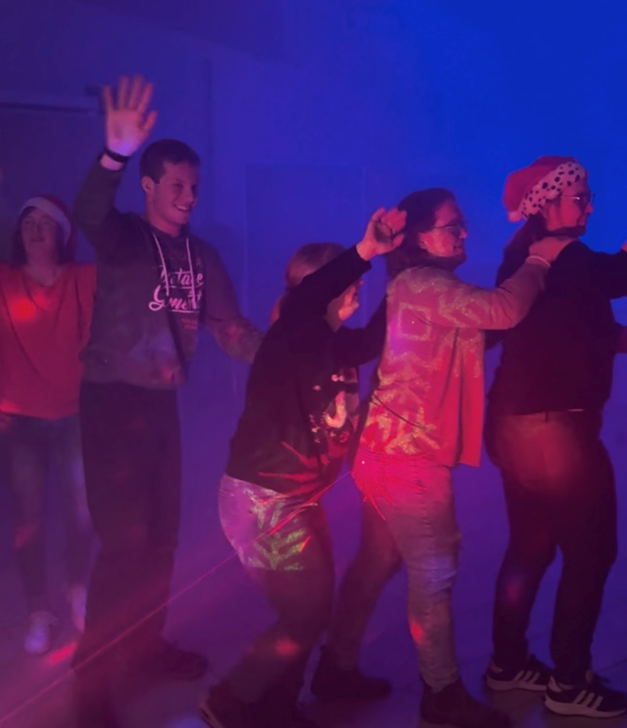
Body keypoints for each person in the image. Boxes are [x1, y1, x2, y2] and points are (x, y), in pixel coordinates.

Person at [71, 76, 262, 728]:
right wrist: (114, 154)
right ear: (149, 186)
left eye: (194, 185)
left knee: (161, 541)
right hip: (111, 401)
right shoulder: (124, 237)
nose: (189, 195)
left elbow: (231, 331)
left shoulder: (200, 256)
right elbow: (88, 212)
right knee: (125, 545)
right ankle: (91, 684)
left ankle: (144, 649)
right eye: (176, 184)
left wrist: (288, 352)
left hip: (159, 407)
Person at [349, 187, 571, 728]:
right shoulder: (424, 283)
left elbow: (481, 328)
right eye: (453, 226)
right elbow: (502, 310)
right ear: (422, 238)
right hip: (409, 457)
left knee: (375, 563)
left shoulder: (424, 289)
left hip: (385, 451)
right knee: (435, 572)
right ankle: (441, 694)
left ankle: (335, 665)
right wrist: (540, 260)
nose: (464, 232)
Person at [200, 207, 406, 728]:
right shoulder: (289, 338)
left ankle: (278, 705)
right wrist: (364, 252)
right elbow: (312, 300)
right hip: (262, 501)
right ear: (314, 289)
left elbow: (375, 338)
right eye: (338, 278)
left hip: (295, 497)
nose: (353, 285)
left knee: (311, 608)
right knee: (305, 614)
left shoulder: (336, 344)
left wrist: (402, 270)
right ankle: (229, 700)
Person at [483, 156, 627, 718]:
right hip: (556, 431)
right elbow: (616, 278)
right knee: (592, 551)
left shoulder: (529, 258)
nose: (589, 206)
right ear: (545, 203)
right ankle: (569, 683)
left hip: (515, 426)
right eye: (579, 197)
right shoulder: (561, 253)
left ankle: (508, 663)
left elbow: (587, 329)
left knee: (531, 546)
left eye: (589, 196)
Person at [0, 193, 95, 655]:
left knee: (83, 512)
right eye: (28, 222)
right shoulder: (4, 280)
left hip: (75, 415)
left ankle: (77, 588)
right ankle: (39, 609)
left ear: (63, 233)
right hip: (18, 421)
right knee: (29, 520)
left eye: (45, 223)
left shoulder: (84, 279)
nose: (35, 230)